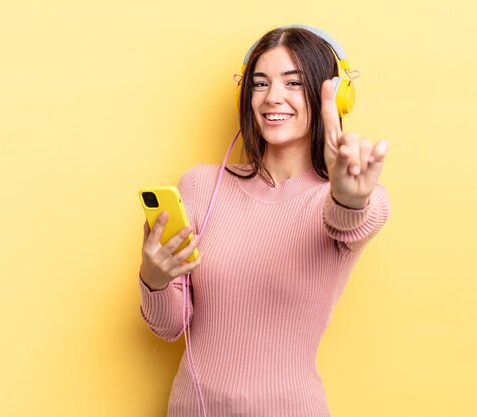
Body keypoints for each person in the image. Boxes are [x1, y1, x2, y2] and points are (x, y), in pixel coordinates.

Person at [138, 25, 390, 417]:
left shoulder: (341, 199)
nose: (273, 98)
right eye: (260, 83)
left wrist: (349, 195)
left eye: (294, 83)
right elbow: (170, 327)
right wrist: (154, 279)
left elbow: (350, 219)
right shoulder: (203, 184)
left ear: (336, 96)